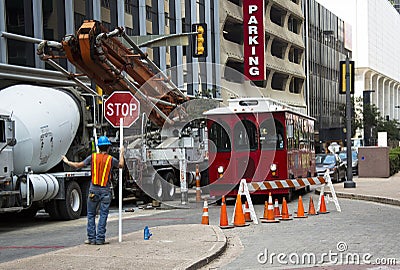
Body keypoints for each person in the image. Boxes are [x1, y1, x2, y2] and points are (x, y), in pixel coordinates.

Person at [62, 136, 124, 245]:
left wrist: (67, 161)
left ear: (99, 147)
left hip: (93, 190)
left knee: (91, 215)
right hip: (105, 191)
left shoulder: (93, 157)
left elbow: (78, 165)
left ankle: (91, 239)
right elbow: (121, 165)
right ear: (108, 147)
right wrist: (122, 153)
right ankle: (100, 239)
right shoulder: (110, 159)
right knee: (103, 215)